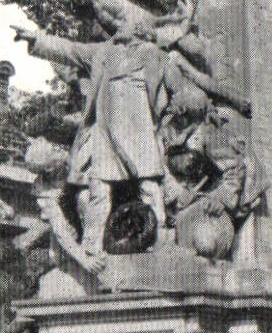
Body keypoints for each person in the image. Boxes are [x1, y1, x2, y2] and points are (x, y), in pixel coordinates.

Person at [14, 21, 170, 258]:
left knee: (149, 187)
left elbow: (164, 95)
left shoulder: (154, 55)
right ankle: (91, 247)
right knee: (99, 191)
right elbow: (71, 49)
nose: (119, 26)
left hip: (140, 133)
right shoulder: (103, 52)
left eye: (125, 22)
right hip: (106, 135)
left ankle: (159, 239)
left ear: (140, 31)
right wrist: (37, 39)